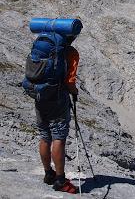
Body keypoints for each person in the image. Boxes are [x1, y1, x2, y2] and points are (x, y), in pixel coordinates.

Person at [37, 35, 79, 194]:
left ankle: (48, 173)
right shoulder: (71, 52)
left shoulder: (41, 47)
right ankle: (61, 180)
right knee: (58, 137)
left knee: (44, 135)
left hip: (40, 97)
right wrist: (75, 93)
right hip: (58, 99)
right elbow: (70, 82)